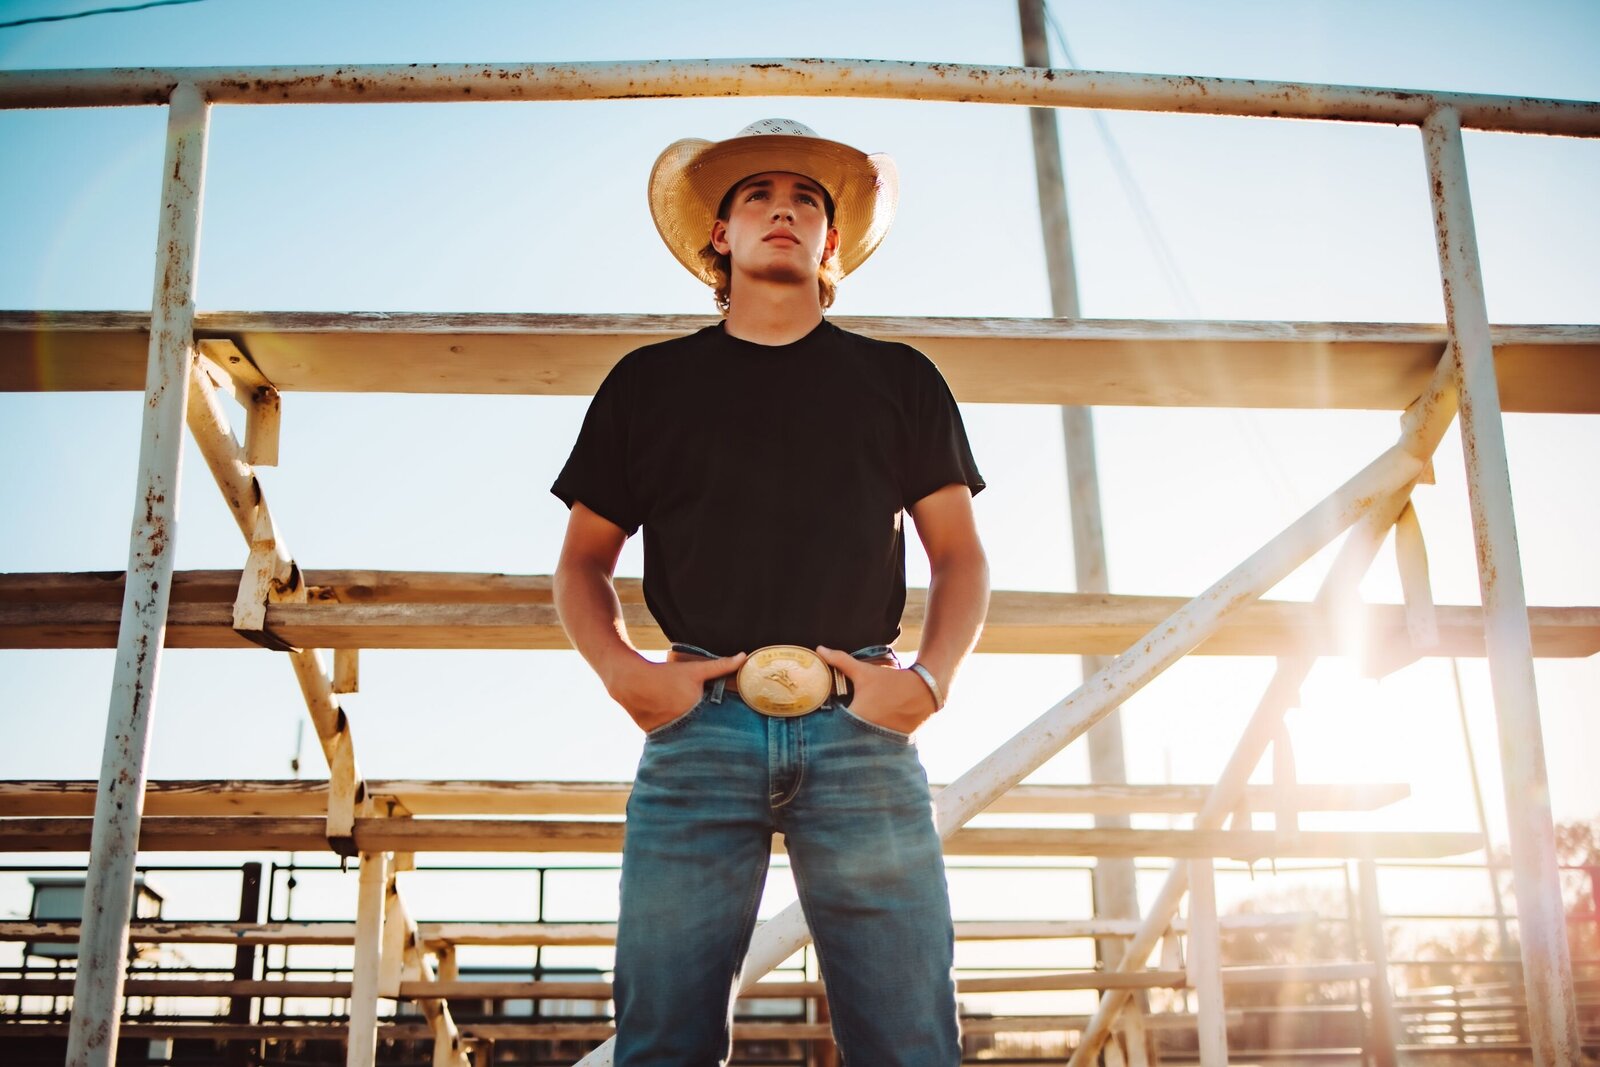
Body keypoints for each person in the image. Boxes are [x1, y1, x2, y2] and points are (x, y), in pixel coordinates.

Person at [551, 118, 989, 1066]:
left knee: (913, 1038)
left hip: (862, 723)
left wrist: (929, 681)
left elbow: (960, 554)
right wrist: (626, 673)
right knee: (661, 1038)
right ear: (721, 236)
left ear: (831, 241)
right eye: (756, 195)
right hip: (697, 726)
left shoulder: (901, 380)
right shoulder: (646, 384)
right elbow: (582, 559)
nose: (782, 209)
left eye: (806, 200)